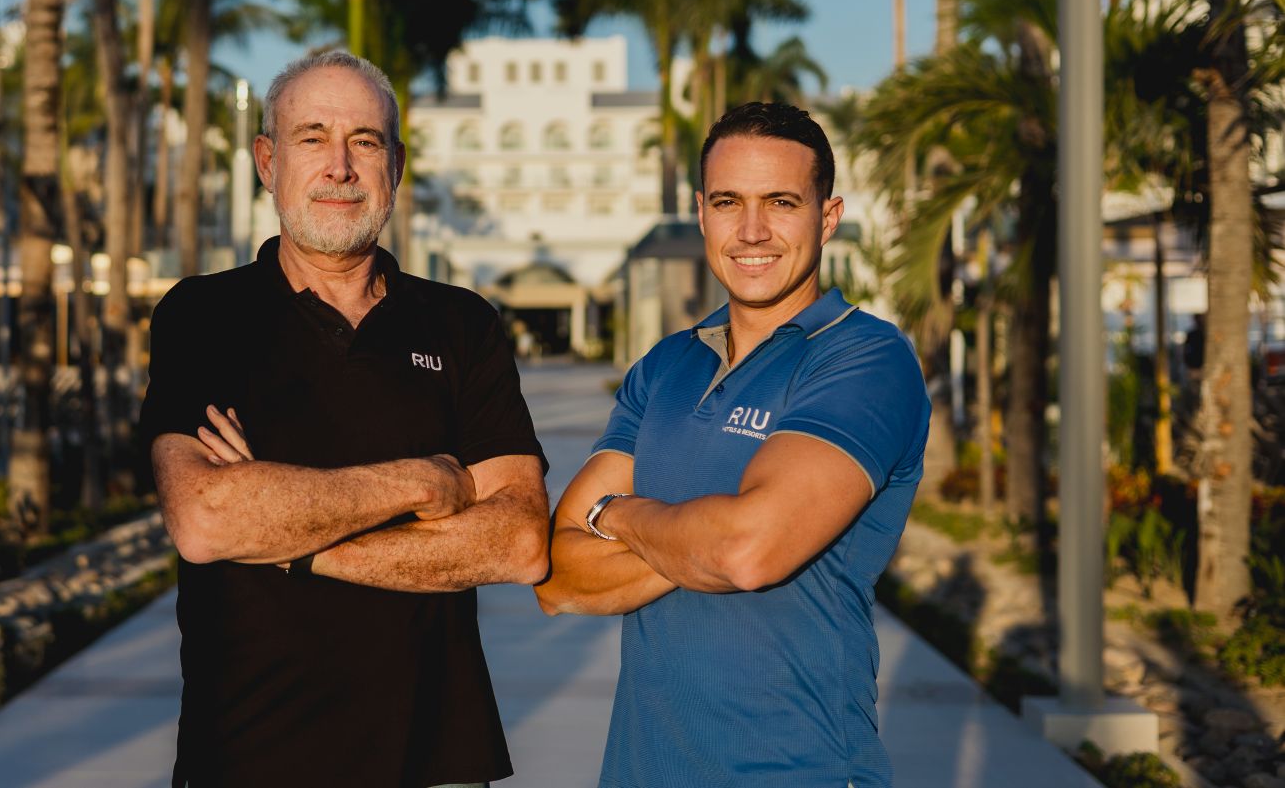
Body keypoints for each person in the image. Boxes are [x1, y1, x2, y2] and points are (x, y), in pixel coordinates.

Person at [142, 50, 550, 788]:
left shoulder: (462, 324)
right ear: (267, 160)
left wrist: (292, 542)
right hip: (245, 760)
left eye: (364, 140)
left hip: (437, 764)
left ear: (394, 164)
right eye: (312, 137)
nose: (340, 166)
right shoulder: (204, 316)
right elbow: (204, 517)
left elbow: (518, 539)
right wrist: (420, 479)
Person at [536, 102, 930, 788]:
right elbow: (557, 577)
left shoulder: (864, 359)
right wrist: (707, 533)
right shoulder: (665, 365)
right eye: (728, 202)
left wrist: (619, 515)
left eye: (781, 202)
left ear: (827, 216)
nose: (752, 230)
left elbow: (747, 552)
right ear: (701, 212)